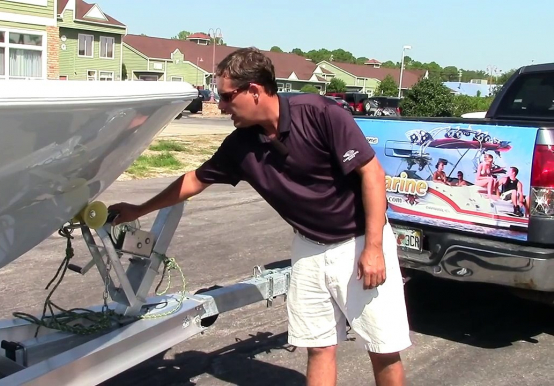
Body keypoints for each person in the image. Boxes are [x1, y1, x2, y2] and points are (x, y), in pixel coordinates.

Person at [108, 47, 411, 386]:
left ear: (253, 90)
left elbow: (372, 174)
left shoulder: (320, 113)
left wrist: (373, 248)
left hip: (359, 242)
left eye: (224, 96)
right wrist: (138, 209)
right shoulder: (240, 146)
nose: (220, 106)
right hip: (309, 248)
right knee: (318, 346)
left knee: (383, 347)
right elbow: (194, 180)